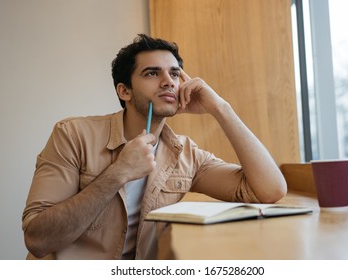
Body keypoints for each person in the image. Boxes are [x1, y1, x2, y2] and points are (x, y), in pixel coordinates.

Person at [22, 34, 287, 260]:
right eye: (152, 73)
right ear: (124, 91)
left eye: (174, 74)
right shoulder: (72, 135)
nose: (168, 81)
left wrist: (220, 108)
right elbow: (37, 238)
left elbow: (270, 190)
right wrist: (119, 173)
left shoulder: (185, 154)